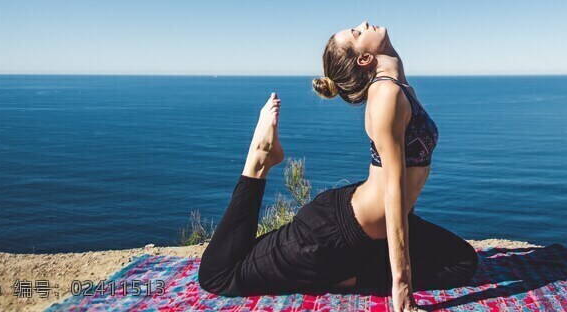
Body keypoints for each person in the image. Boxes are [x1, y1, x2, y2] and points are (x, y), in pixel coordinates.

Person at [197, 21, 478, 311]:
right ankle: (258, 161)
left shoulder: (400, 88)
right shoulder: (386, 95)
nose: (363, 24)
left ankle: (341, 273)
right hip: (330, 235)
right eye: (357, 33)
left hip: (368, 229)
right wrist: (402, 288)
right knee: (220, 275)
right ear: (365, 59)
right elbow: (393, 192)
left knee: (462, 262)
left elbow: (402, 189)